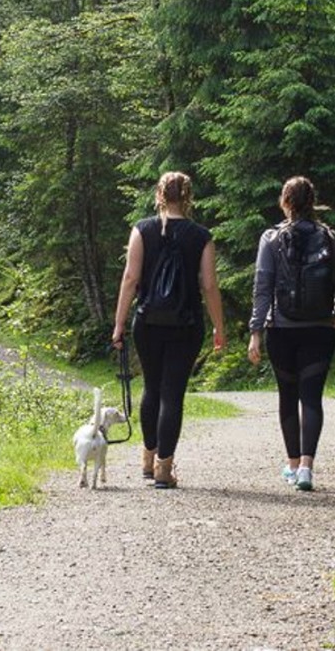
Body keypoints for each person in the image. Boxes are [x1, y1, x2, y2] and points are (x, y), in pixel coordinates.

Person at [111, 171, 226, 489]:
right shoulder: (201, 235)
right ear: (188, 197)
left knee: (152, 388)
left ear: (159, 195)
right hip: (186, 324)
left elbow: (130, 279)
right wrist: (219, 327)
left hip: (147, 322)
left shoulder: (142, 229)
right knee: (173, 393)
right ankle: (164, 468)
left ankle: (147, 460)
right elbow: (209, 285)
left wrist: (119, 324)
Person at [248, 175, 335, 492]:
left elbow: (262, 287)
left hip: (281, 328)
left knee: (288, 397)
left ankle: (292, 466)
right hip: (320, 328)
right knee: (312, 398)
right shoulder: (329, 237)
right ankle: (307, 467)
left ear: (285, 202)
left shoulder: (271, 238)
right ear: (312, 201)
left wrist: (255, 332)